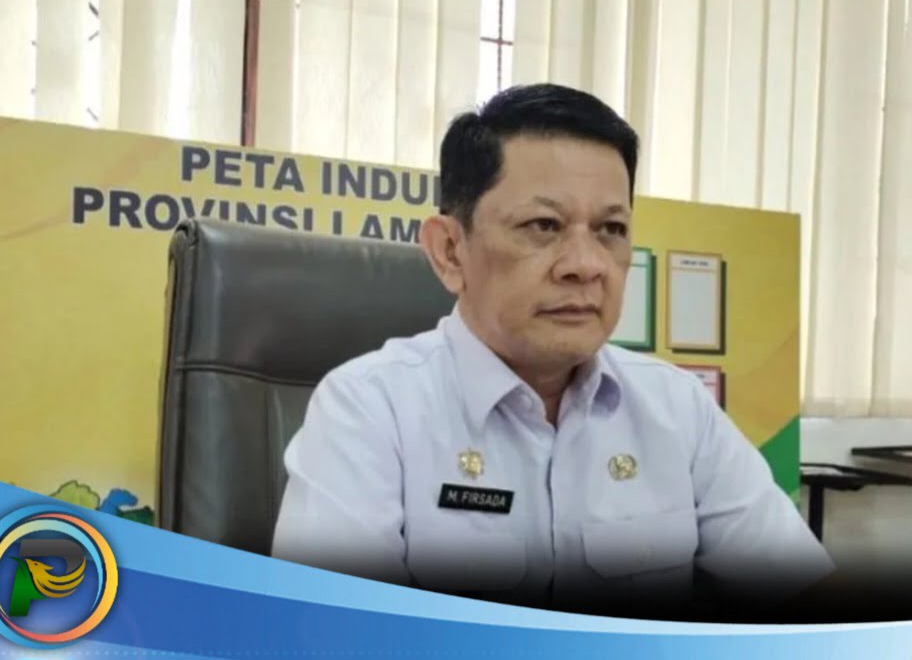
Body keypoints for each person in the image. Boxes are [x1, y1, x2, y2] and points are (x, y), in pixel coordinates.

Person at [271, 83, 834, 620]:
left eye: (610, 229)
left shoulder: (677, 409)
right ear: (450, 251)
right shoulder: (368, 410)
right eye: (544, 225)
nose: (586, 265)